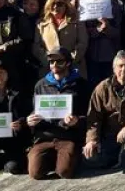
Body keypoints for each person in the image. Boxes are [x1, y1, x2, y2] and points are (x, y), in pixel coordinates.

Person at [27, 47, 91, 180]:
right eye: (51, 62)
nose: (54, 65)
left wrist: (77, 120)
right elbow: (35, 110)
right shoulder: (41, 85)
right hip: (45, 137)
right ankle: (52, 159)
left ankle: (68, 158)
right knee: (35, 174)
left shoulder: (81, 85)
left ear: (68, 63)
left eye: (59, 61)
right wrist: (30, 120)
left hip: (68, 136)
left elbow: (89, 116)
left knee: (64, 172)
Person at [33, 0, 88, 79]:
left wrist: (68, 61)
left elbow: (83, 43)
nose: (55, 7)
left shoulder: (77, 21)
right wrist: (51, 62)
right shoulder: (41, 23)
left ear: (66, 6)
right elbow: (36, 46)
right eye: (52, 4)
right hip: (49, 70)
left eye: (59, 4)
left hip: (73, 68)